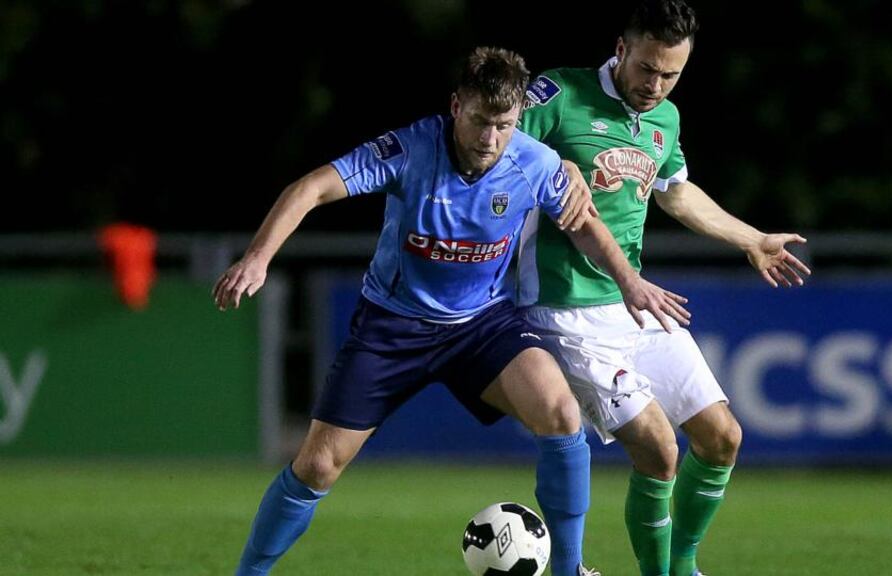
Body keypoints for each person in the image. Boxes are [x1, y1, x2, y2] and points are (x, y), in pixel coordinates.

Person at [212, 46, 689, 576]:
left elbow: (581, 223)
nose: (491, 139)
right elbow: (311, 188)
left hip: (481, 325)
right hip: (393, 325)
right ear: (457, 105)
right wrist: (257, 258)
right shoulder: (410, 150)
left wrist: (628, 281)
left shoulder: (533, 159)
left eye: (504, 125)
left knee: (560, 413)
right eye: (482, 121)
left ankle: (568, 569)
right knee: (318, 465)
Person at [517, 2, 812, 575]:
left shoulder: (665, 119)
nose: (656, 85)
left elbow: (676, 192)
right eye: (647, 68)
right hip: (563, 309)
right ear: (621, 49)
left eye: (670, 74)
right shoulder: (557, 95)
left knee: (722, 436)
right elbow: (493, 150)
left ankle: (684, 568)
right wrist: (548, 169)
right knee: (659, 448)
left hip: (635, 305)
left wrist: (751, 238)